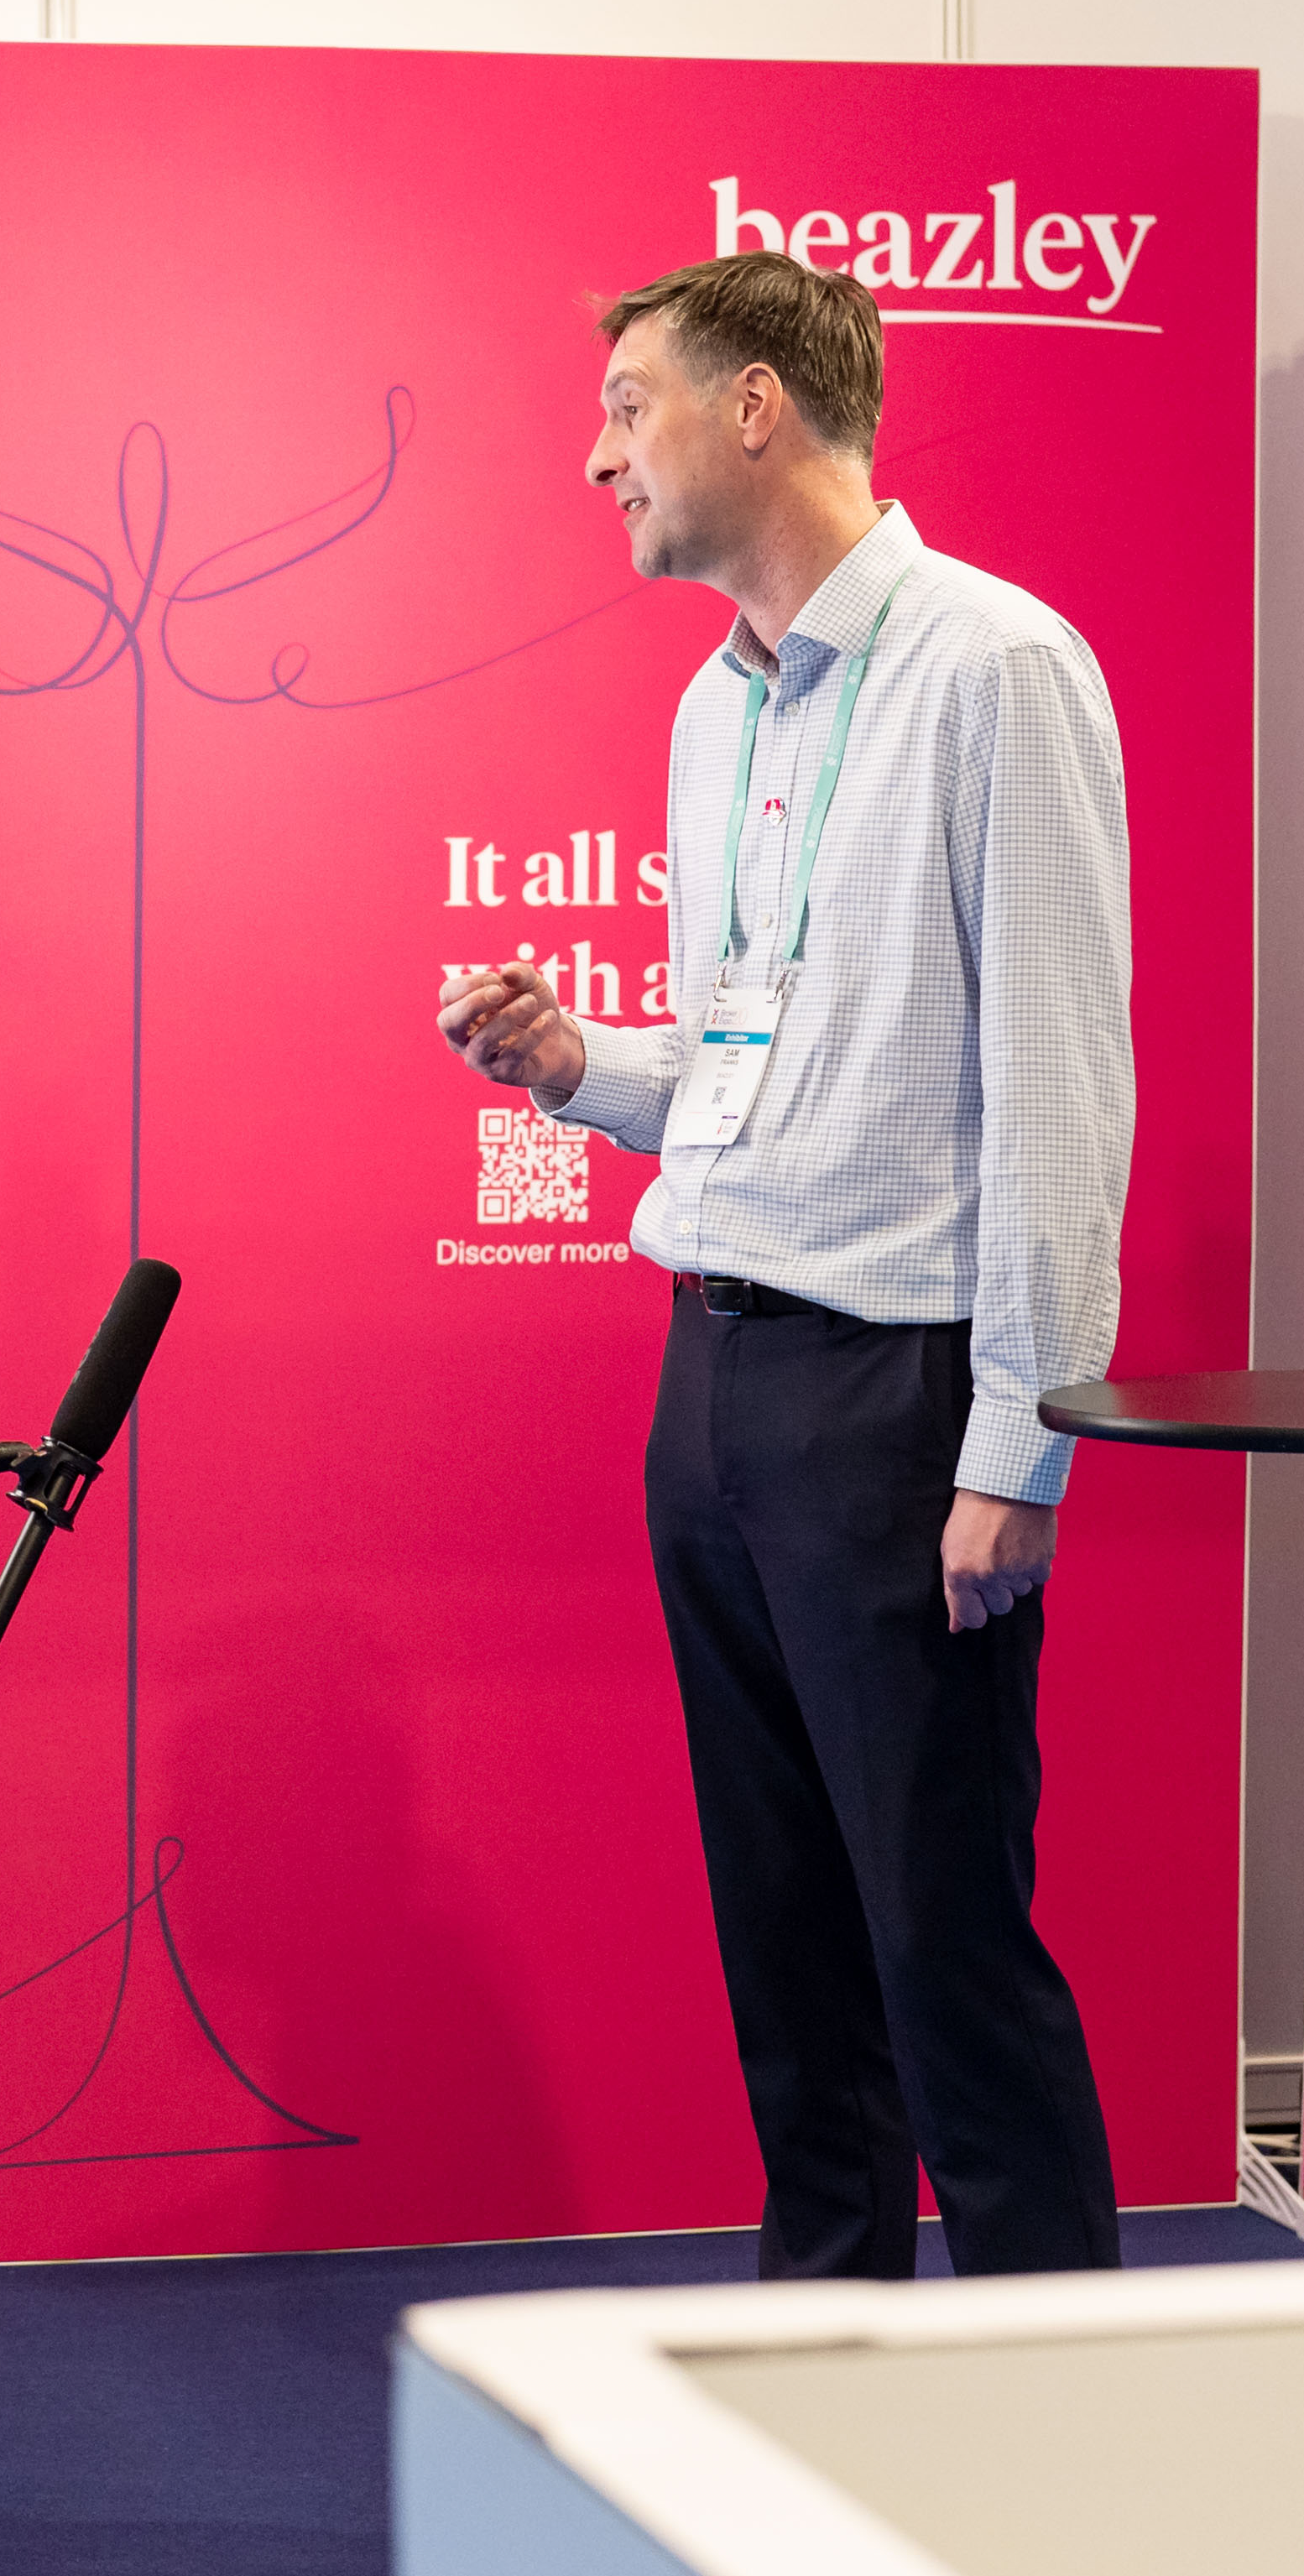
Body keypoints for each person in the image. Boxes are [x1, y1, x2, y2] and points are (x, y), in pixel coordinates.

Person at [437, 250, 1134, 2281]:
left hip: (897, 1401)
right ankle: (827, 2370)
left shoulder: (997, 667)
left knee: (943, 1944)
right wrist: (585, 1068)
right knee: (790, 1953)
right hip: (719, 1382)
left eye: (627, 405)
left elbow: (1059, 1081)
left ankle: (1069, 2404)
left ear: (757, 405)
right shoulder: (714, 708)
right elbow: (754, 1054)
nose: (599, 458)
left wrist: (1019, 1444)